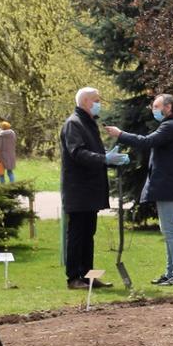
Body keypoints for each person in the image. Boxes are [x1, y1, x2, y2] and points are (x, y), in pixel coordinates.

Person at [107, 94, 173, 286]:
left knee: (170, 231)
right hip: (168, 185)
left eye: (156, 106)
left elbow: (146, 142)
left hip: (169, 185)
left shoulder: (171, 126)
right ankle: (170, 272)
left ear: (168, 107)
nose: (153, 110)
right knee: (167, 230)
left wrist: (120, 134)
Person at [62, 88, 112, 289]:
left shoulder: (89, 123)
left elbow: (94, 151)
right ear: (85, 101)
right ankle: (74, 277)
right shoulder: (74, 124)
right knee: (77, 234)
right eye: (96, 100)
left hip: (90, 190)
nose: (99, 104)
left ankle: (88, 275)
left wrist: (109, 157)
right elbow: (78, 153)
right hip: (78, 190)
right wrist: (104, 158)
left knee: (88, 234)